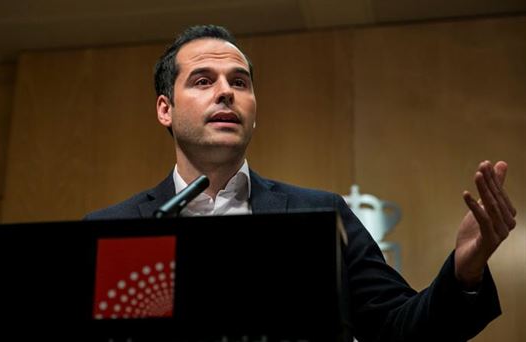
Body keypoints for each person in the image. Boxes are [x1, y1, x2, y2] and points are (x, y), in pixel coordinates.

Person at [85, 25, 517, 341]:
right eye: (203, 81)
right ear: (165, 109)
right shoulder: (112, 229)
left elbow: (399, 329)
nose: (226, 93)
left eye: (240, 82)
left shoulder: (322, 213)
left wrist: (465, 270)